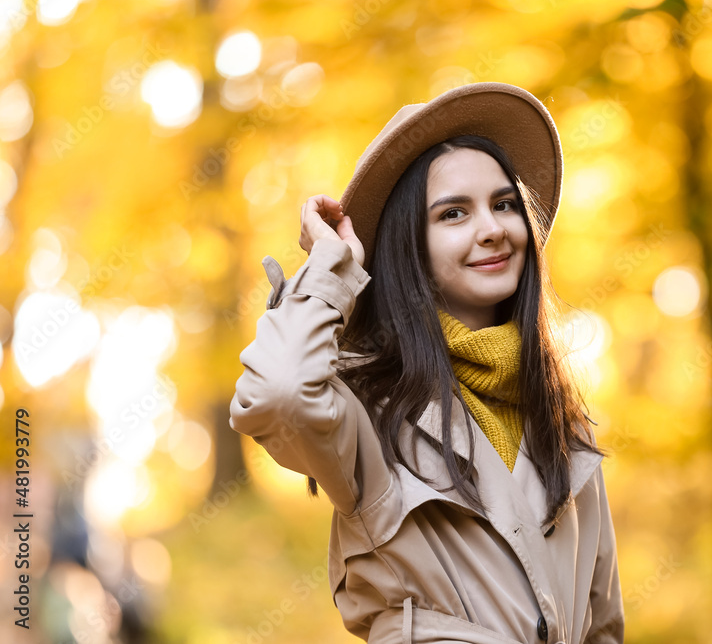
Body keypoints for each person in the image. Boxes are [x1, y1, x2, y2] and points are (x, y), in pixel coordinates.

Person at [229, 81, 625, 643]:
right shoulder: (370, 405)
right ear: (408, 246)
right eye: (454, 214)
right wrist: (329, 272)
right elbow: (279, 395)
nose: (492, 229)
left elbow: (602, 622)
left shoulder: (563, 417)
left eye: (504, 204)